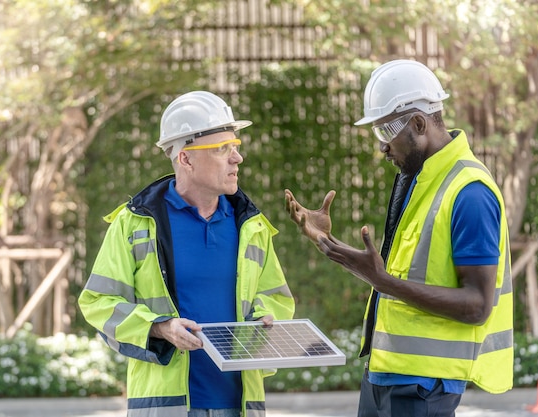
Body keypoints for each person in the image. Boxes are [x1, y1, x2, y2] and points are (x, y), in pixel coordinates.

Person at [285, 59, 513, 417]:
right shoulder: (417, 181)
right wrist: (331, 245)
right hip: (384, 376)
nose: (382, 147)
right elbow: (393, 276)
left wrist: (384, 282)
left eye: (385, 131)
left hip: (423, 389)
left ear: (419, 123)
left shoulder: (470, 192)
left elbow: (477, 305)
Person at [79, 90, 295, 417]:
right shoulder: (134, 224)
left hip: (240, 407)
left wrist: (266, 317)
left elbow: (276, 298)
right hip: (165, 407)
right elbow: (97, 302)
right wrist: (160, 327)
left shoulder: (252, 226)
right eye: (223, 149)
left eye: (235, 147)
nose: (237, 158)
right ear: (186, 158)